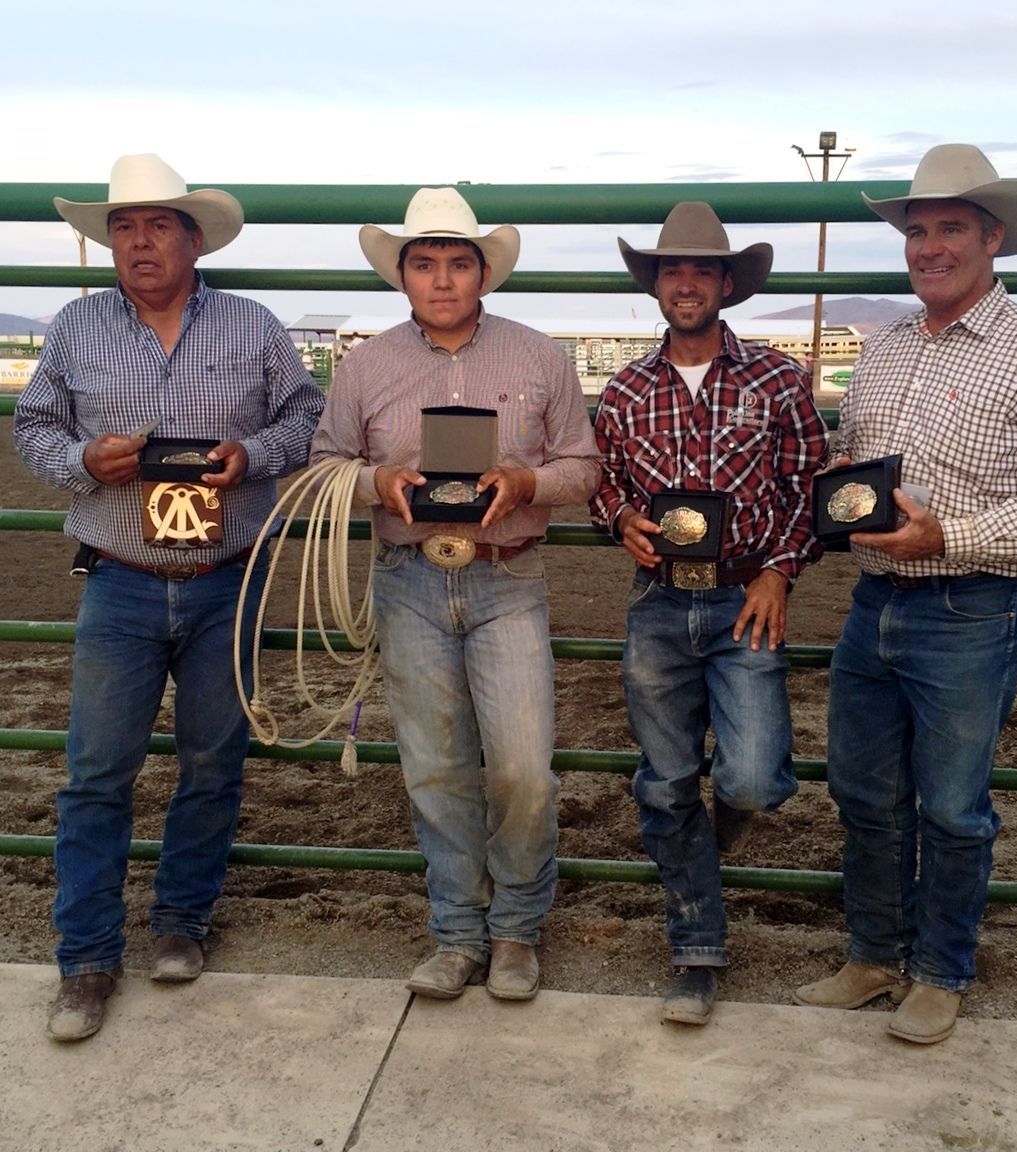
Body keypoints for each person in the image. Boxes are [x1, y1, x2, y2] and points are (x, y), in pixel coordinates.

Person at [793, 144, 1017, 1044]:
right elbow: (853, 459)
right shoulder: (886, 348)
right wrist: (834, 485)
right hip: (877, 599)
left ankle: (939, 969)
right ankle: (874, 956)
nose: (928, 247)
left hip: (971, 603)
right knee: (863, 791)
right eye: (917, 230)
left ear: (991, 238)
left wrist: (946, 536)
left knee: (952, 806)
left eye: (949, 229)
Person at [13, 153, 325, 1042]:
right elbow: (35, 426)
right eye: (123, 227)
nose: (139, 243)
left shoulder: (252, 326)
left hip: (228, 579)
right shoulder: (76, 328)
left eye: (157, 226)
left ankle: (181, 922)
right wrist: (84, 461)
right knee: (96, 774)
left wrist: (252, 456)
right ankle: (86, 958)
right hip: (119, 576)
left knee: (212, 764)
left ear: (194, 241)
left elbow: (303, 413)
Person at [309, 187, 601, 1003]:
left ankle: (515, 929)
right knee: (435, 767)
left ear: (483, 273)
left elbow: (583, 466)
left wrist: (527, 481)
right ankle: (459, 933)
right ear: (402, 275)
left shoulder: (539, 358)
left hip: (507, 576)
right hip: (408, 578)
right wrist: (376, 481)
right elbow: (326, 460)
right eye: (425, 264)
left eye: (458, 263)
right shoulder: (365, 366)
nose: (441, 279)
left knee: (522, 768)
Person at [590, 202, 828, 1025]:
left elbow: (808, 490)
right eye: (671, 270)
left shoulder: (775, 380)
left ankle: (704, 841)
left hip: (743, 597)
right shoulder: (625, 389)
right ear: (655, 285)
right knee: (665, 784)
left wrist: (779, 573)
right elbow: (603, 483)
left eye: (701, 270)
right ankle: (695, 949)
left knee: (753, 778)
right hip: (658, 600)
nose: (685, 283)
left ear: (727, 284)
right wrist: (621, 518)